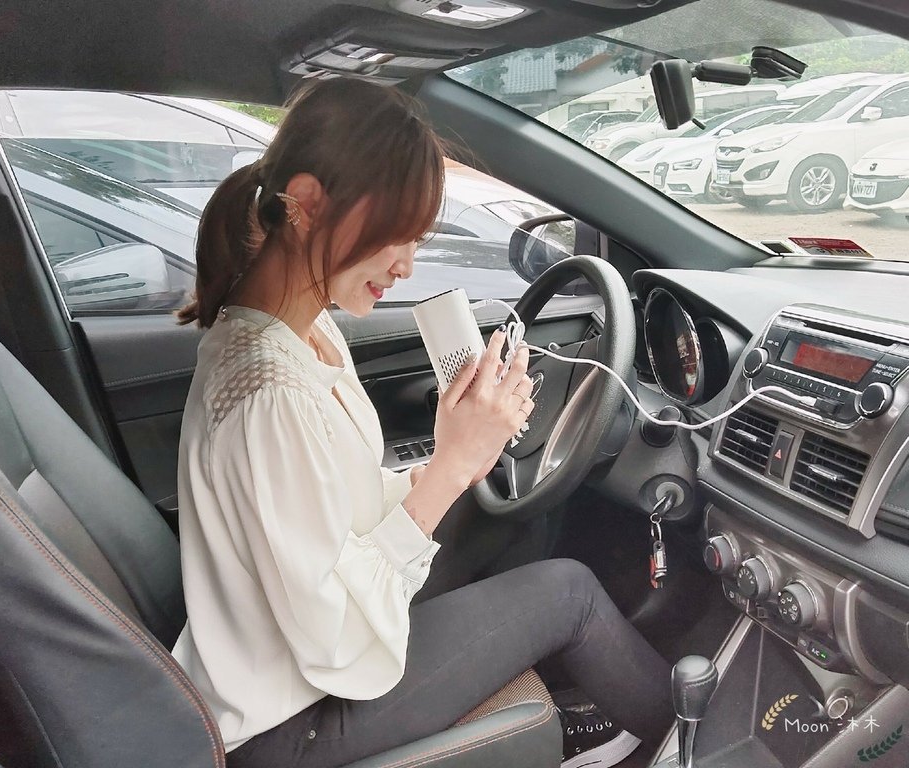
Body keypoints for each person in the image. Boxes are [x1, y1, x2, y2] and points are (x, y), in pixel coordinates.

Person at [172, 77, 674, 768]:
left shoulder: (300, 332)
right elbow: (332, 635)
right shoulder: (268, 393)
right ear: (309, 204)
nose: (406, 268)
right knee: (570, 595)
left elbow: (333, 511)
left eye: (418, 239)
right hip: (288, 720)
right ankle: (703, 745)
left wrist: (458, 451)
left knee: (508, 514)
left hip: (290, 653)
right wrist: (449, 468)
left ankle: (583, 701)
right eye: (394, 237)